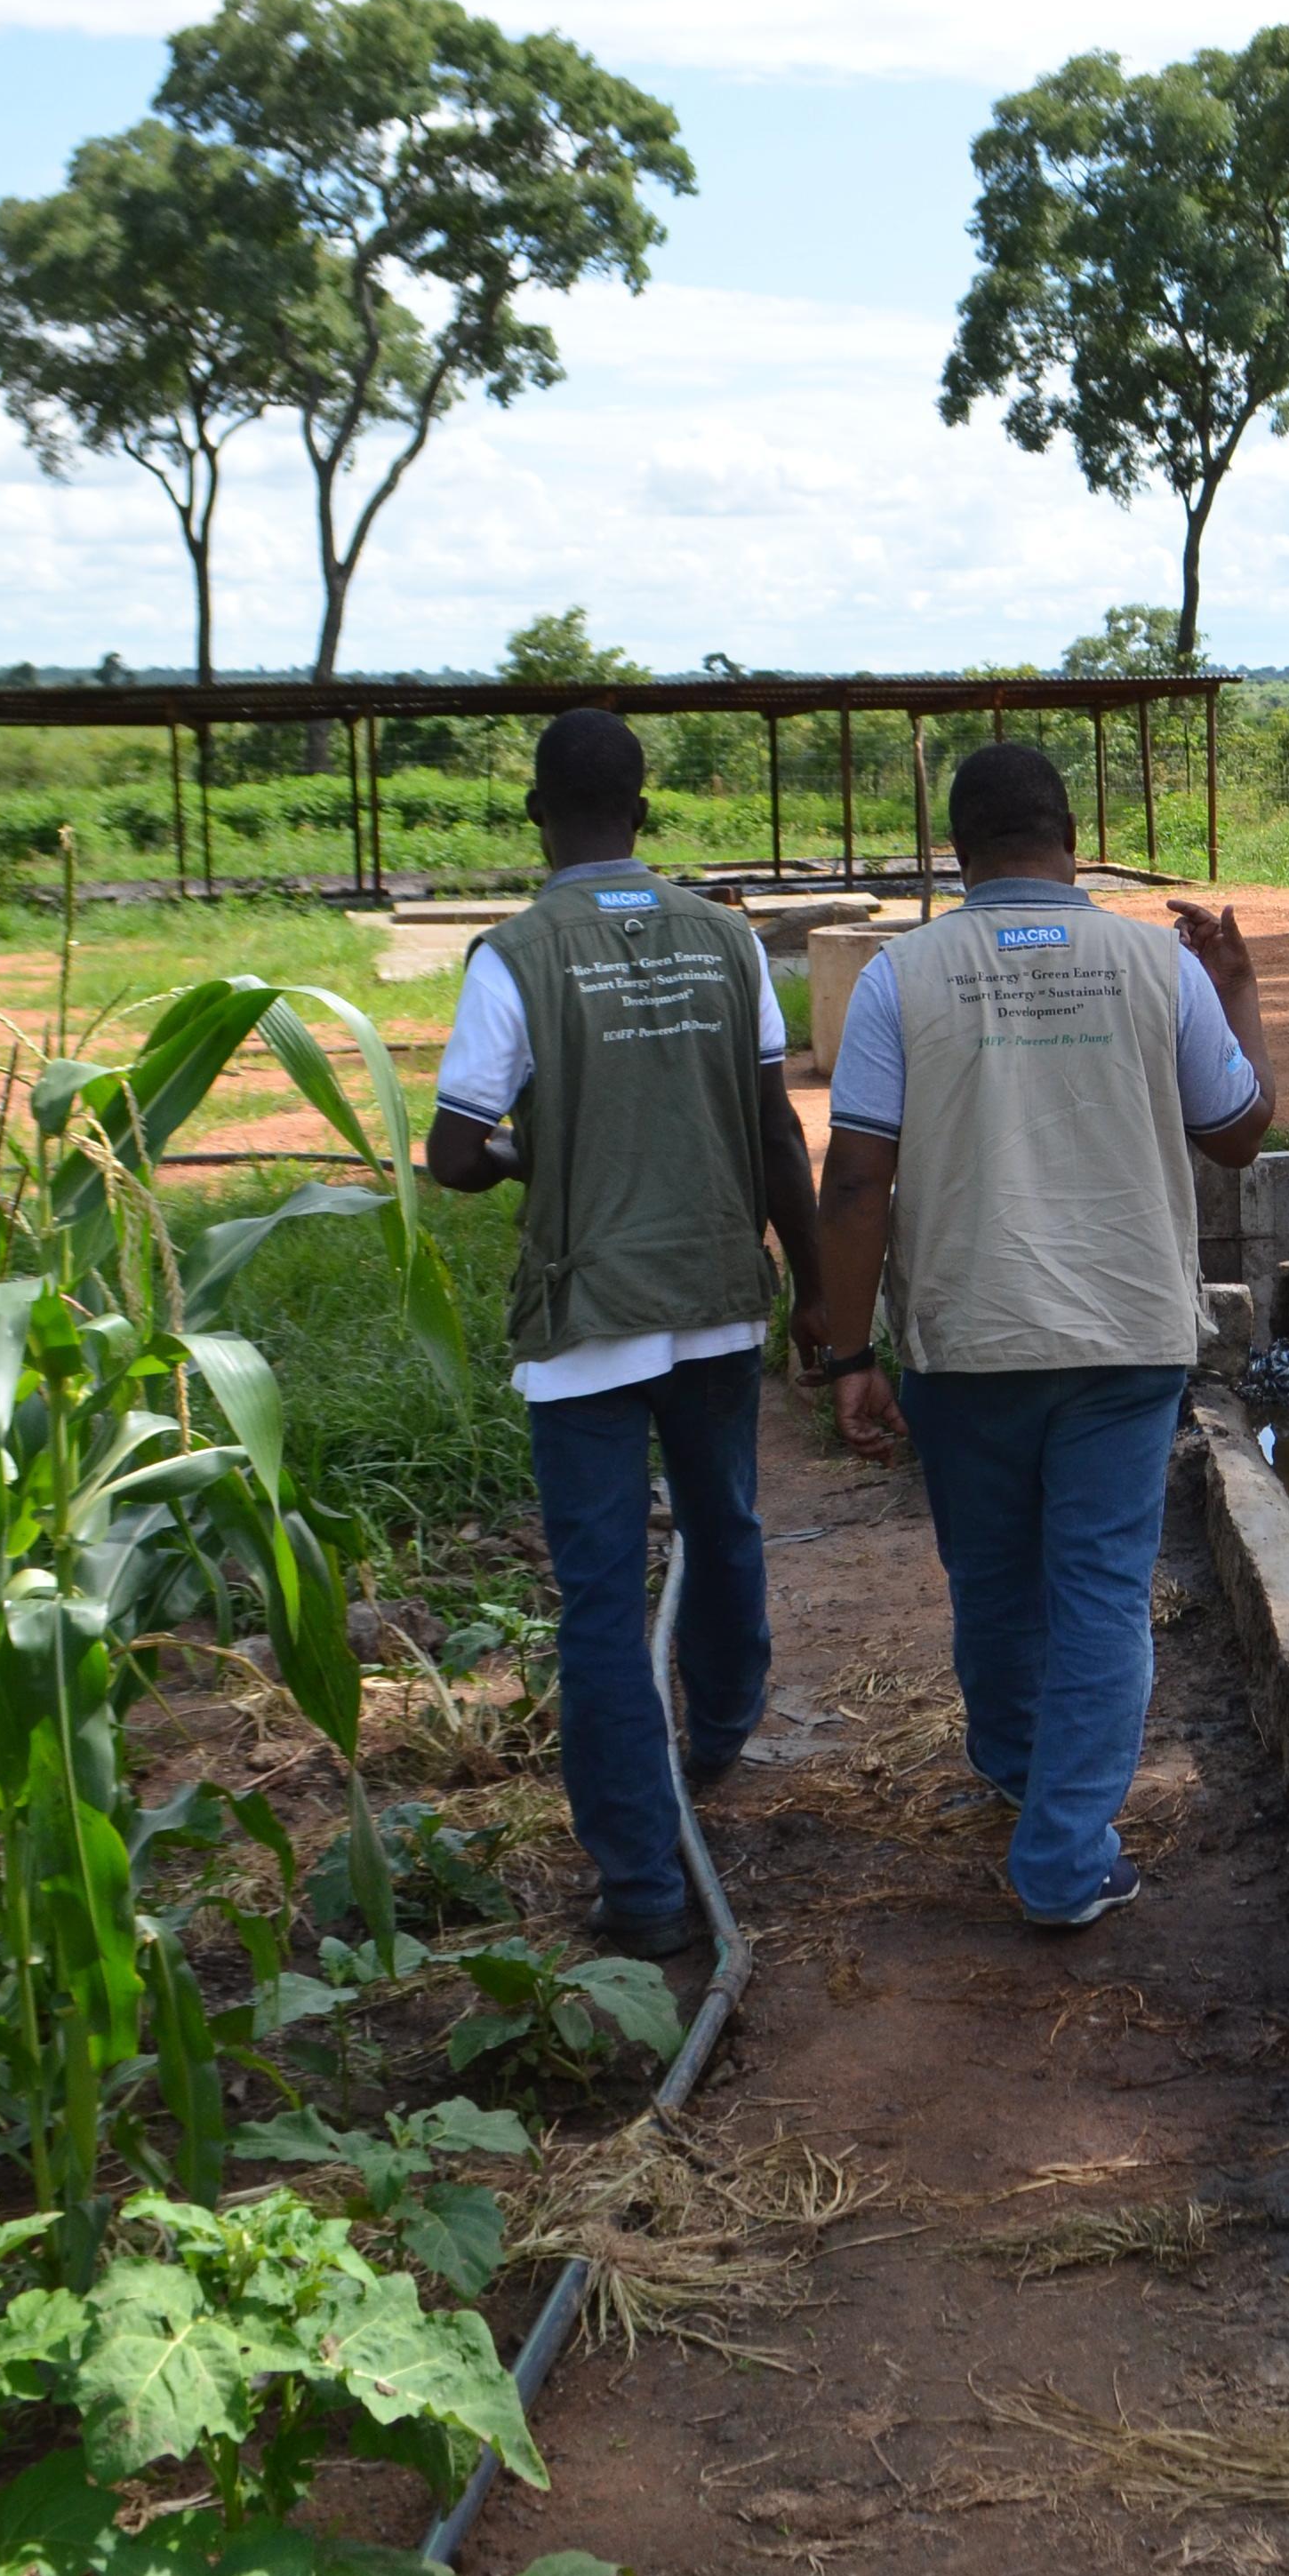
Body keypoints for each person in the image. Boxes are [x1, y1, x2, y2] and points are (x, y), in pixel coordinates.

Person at [796, 740, 1276, 1930]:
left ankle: (1018, 1771)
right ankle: (1063, 1858)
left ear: (958, 852)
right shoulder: (1161, 966)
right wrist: (1240, 993)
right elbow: (1238, 1132)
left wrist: (848, 1355)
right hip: (1125, 1336)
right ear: (1072, 841)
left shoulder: (901, 978)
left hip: (967, 1338)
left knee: (994, 1580)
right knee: (1102, 1589)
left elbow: (854, 1182)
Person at [422, 711, 820, 1966]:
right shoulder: (728, 939)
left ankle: (643, 1885)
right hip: (714, 1293)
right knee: (725, 1522)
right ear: (643, 815)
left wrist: (536, 1152)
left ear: (538, 816)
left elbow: (453, 1153)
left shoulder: (514, 956)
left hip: (585, 1318)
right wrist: (822, 1303)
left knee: (599, 1598)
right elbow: (777, 1135)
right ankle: (720, 1733)